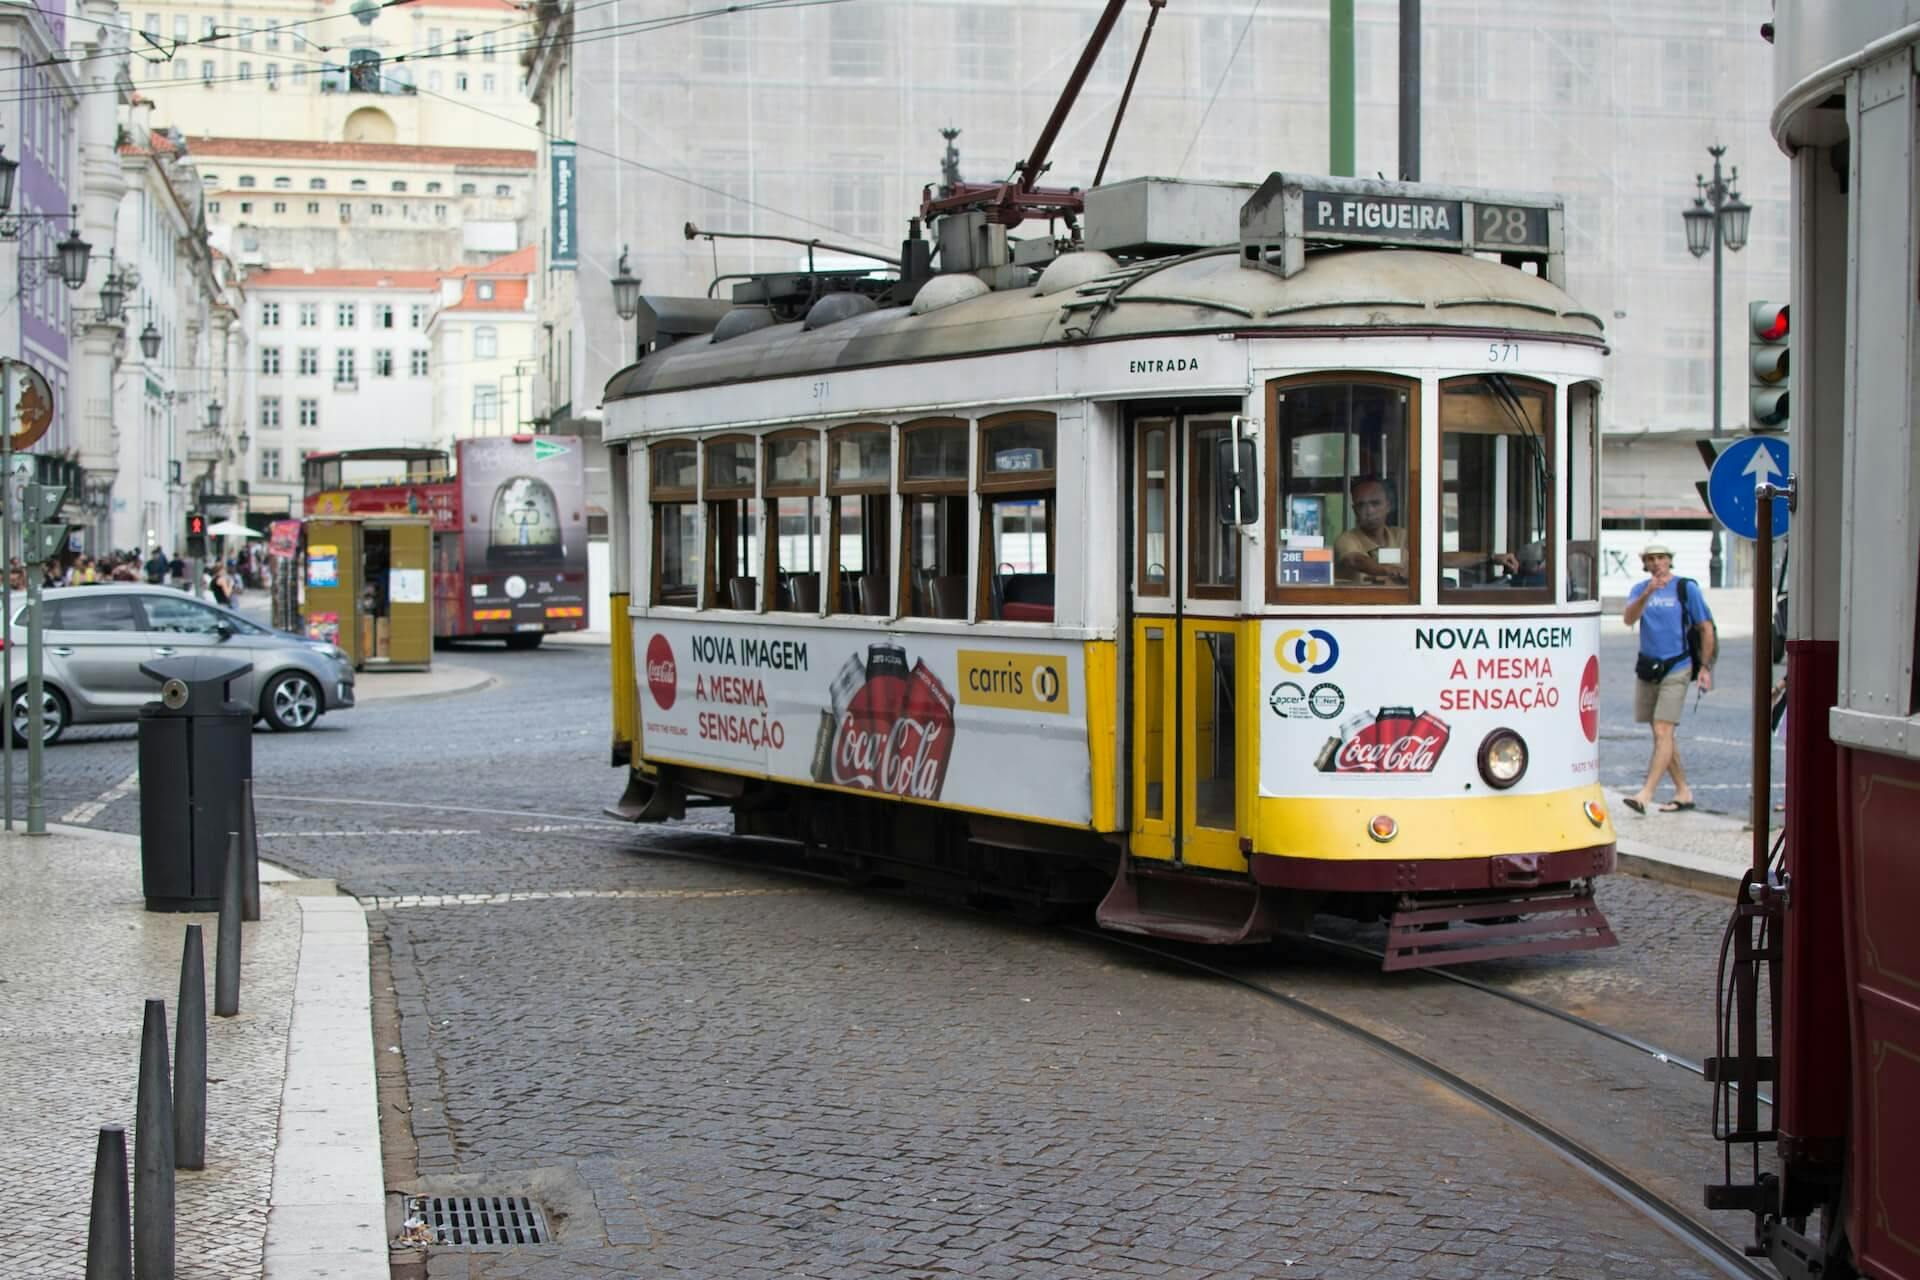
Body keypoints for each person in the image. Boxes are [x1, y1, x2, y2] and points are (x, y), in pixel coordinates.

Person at [1621, 541, 1715, 814]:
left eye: (1661, 558)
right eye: (1651, 558)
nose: (1657, 563)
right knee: (1661, 734)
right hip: (1649, 668)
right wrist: (1647, 594)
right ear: (1645, 563)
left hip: (1679, 665)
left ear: (1669, 561)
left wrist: (1705, 668)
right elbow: (1629, 619)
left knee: (1663, 730)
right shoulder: (1640, 589)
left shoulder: (1686, 588)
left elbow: (1705, 627)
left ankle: (1645, 794)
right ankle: (1683, 791)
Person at [1332, 478, 1522, 584]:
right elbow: (1355, 560)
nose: (1369, 510)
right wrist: (1391, 570)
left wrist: (1491, 557)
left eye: (1375, 503)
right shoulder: (1347, 540)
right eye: (1362, 505)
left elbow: (1439, 558)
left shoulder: (1401, 536)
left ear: (1388, 506)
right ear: (1354, 510)